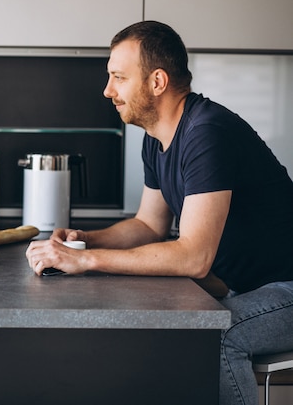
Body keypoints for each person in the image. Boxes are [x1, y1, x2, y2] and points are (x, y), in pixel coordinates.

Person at [26, 21, 293, 405]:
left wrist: (86, 261)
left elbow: (194, 257)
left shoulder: (206, 132)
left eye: (118, 77)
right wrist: (82, 240)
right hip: (250, 288)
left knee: (213, 336)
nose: (108, 90)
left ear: (157, 82)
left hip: (286, 288)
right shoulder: (158, 139)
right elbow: (149, 225)